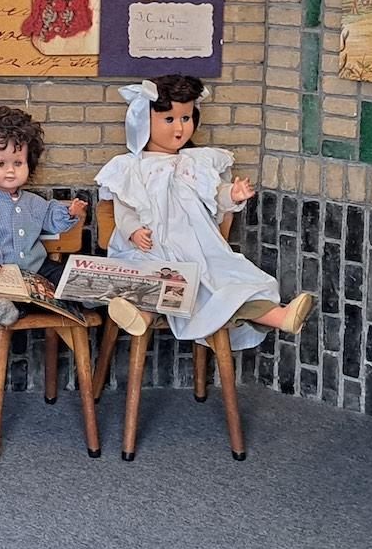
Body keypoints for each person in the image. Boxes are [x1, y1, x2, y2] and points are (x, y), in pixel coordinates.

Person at [96, 75, 315, 351]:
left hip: (198, 246)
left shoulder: (197, 162)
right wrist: (133, 231)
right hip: (154, 245)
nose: (179, 128)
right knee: (159, 277)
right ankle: (141, 315)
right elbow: (124, 208)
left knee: (225, 279)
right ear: (143, 121)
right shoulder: (130, 168)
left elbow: (213, 196)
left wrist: (231, 195)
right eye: (169, 120)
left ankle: (280, 316)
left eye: (186, 119)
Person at [0, 104, 142, 334]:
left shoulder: (32, 202)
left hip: (37, 269)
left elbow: (50, 216)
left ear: (29, 163)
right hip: (1, 272)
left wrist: (69, 213)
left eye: (18, 163)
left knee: (65, 274)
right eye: (1, 164)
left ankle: (87, 294)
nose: (11, 171)